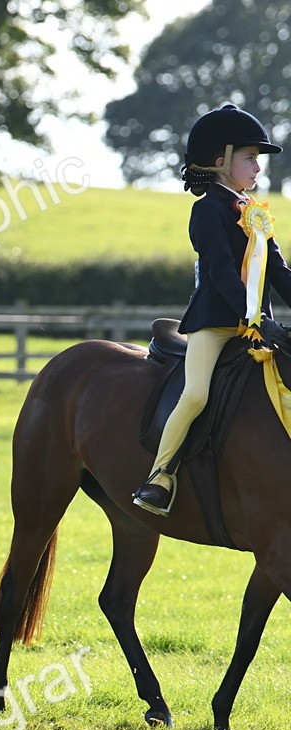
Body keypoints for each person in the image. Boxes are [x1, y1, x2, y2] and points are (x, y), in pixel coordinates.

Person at [133, 104, 291, 516]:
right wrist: (256, 319)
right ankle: (160, 475)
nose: (258, 168)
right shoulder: (206, 210)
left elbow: (278, 271)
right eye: (250, 158)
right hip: (216, 324)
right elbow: (221, 273)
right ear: (221, 162)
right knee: (196, 393)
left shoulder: (254, 212)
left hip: (258, 327)